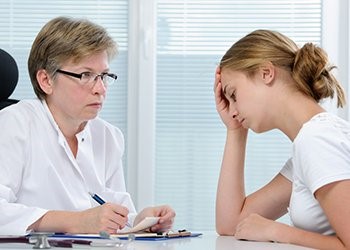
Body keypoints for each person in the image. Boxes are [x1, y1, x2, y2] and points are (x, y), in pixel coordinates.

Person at [0, 16, 175, 235]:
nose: (100, 89)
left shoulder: (107, 136)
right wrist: (75, 221)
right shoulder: (14, 124)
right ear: (46, 80)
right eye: (86, 75)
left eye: (104, 76)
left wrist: (139, 220)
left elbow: (110, 212)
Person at [214, 29, 350, 249]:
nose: (232, 110)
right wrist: (235, 130)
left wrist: (276, 231)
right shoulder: (309, 145)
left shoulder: (317, 140)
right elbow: (232, 224)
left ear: (266, 72)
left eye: (233, 95)